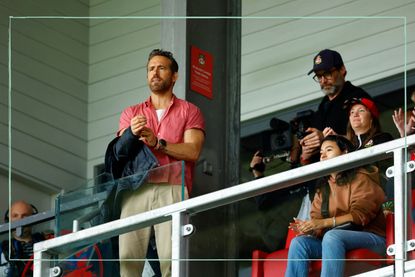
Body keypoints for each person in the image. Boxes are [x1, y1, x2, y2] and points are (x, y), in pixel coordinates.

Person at [116, 49, 205, 277]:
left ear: (174, 76)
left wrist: (159, 144)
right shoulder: (131, 113)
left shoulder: (190, 110)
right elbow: (120, 153)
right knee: (128, 263)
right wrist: (129, 134)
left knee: (172, 262)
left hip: (172, 187)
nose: (155, 72)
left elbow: (193, 151)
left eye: (161, 68)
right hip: (136, 188)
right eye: (151, 69)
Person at [285, 135, 386, 277]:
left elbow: (360, 215)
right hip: (333, 242)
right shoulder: (323, 187)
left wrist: (323, 223)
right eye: (321, 153)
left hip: (372, 238)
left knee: (332, 236)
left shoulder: (361, 177)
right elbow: (317, 222)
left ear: (344, 152)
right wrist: (309, 228)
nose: (323, 155)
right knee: (298, 243)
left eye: (329, 150)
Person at [299, 49, 373, 165]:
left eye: (327, 74)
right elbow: (308, 161)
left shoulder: (358, 98)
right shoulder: (322, 106)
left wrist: (326, 139)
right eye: (318, 76)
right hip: (327, 179)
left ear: (342, 70)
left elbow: (371, 139)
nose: (323, 81)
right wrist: (306, 153)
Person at [0, 201, 46, 277]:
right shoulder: (2, 249)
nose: (20, 220)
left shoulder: (46, 241)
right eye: (15, 216)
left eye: (25, 216)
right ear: (8, 221)